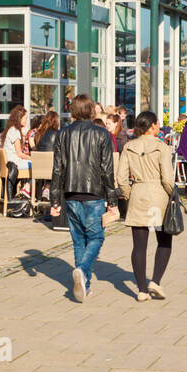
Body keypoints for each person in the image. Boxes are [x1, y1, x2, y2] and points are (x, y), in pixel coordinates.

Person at [50, 93, 118, 302]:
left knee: (79, 240)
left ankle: (84, 285)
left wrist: (54, 199)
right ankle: (82, 269)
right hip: (93, 193)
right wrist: (112, 199)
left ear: (73, 111)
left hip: (71, 193)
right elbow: (107, 169)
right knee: (96, 237)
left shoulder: (63, 134)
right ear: (92, 110)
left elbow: (58, 169)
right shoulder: (101, 134)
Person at [116, 111, 178, 301]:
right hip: (158, 194)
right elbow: (167, 178)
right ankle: (156, 281)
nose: (159, 126)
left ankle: (141, 290)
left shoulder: (129, 146)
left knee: (139, 245)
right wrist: (172, 194)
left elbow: (121, 178)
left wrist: (128, 194)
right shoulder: (161, 147)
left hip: (138, 193)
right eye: (157, 124)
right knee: (164, 240)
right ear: (152, 126)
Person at [1, 105, 31, 201]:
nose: (26, 121)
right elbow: (20, 154)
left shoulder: (11, 129)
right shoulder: (15, 131)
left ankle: (26, 188)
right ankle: (27, 188)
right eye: (25, 118)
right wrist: (32, 158)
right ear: (19, 118)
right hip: (15, 161)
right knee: (38, 166)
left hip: (10, 162)